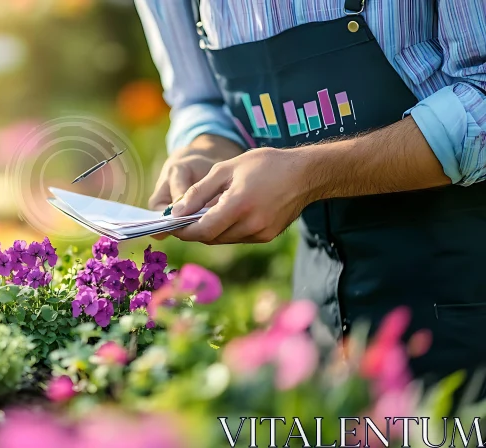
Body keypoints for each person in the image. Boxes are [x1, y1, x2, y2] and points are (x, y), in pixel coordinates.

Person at [136, 0, 486, 398]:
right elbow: (200, 100)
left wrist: (309, 172)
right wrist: (205, 147)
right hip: (320, 316)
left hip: (466, 296)